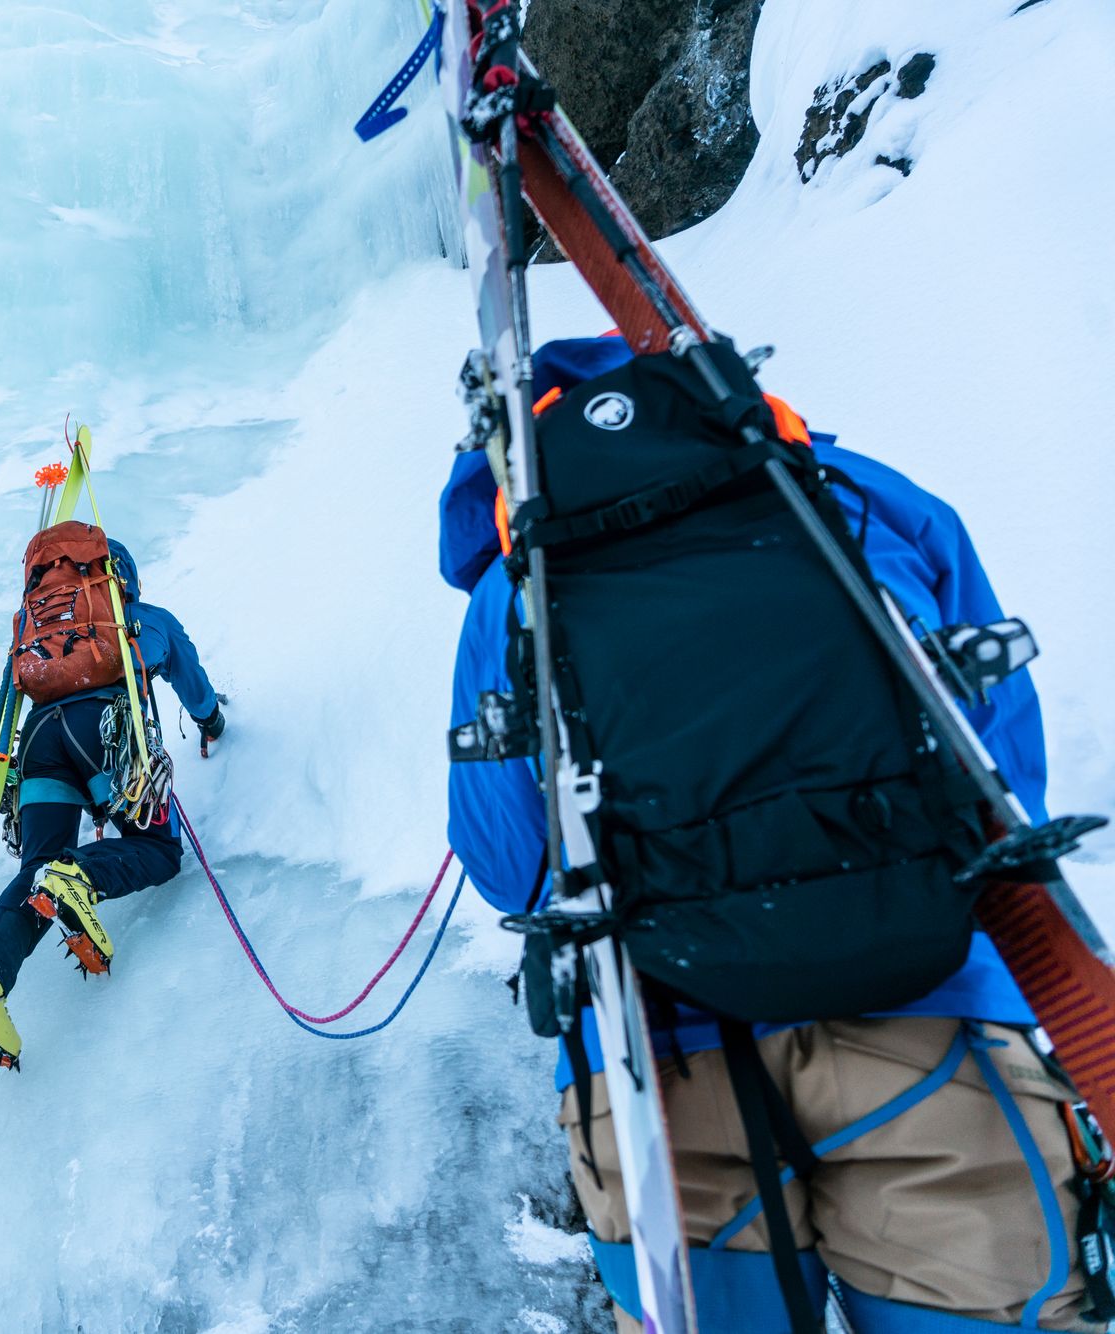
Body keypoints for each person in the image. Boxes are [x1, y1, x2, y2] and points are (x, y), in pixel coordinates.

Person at [443, 335, 1104, 1332]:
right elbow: (995, 773)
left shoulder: (517, 583)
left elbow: (510, 866)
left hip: (658, 1062)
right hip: (929, 1017)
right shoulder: (849, 496)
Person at [0, 537, 224, 1071]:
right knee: (156, 850)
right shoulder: (139, 618)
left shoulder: (38, 631)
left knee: (36, 872)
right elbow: (192, 683)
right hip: (106, 730)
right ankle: (77, 877)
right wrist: (212, 722)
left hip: (41, 743)